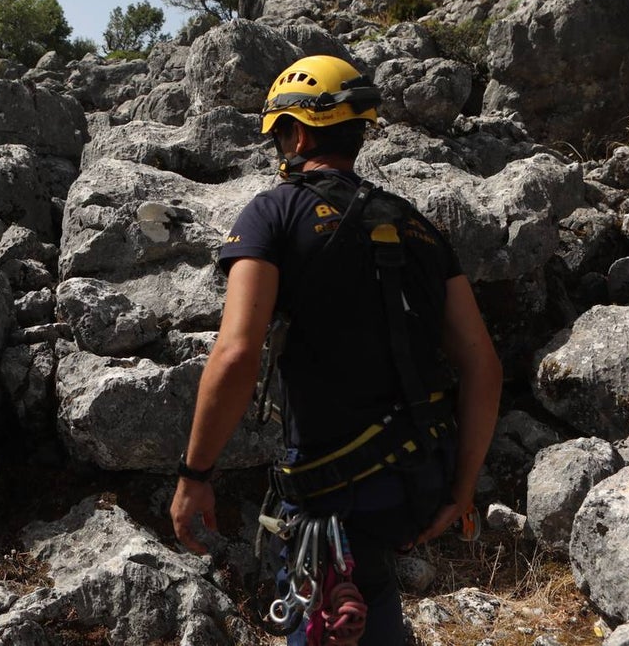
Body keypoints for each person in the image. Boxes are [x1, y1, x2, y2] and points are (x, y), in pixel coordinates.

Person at [170, 55, 502, 645]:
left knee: (324, 609)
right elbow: (483, 364)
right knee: (369, 591)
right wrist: (462, 489)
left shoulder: (273, 211)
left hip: (331, 490)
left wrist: (195, 473)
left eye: (279, 136)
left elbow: (238, 352)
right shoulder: (418, 226)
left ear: (296, 133)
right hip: (418, 479)